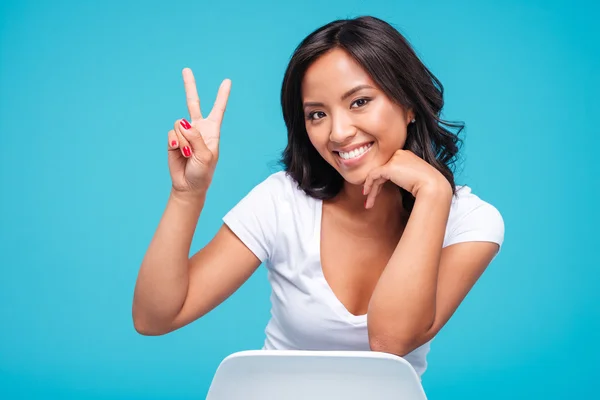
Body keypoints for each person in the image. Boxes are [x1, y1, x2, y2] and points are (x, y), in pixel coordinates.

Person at [132, 16, 504, 378]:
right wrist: (188, 193)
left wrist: (433, 194)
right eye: (317, 114)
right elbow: (154, 318)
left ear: (408, 104)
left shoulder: (470, 222)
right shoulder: (283, 201)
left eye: (359, 102)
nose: (338, 133)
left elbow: (390, 342)